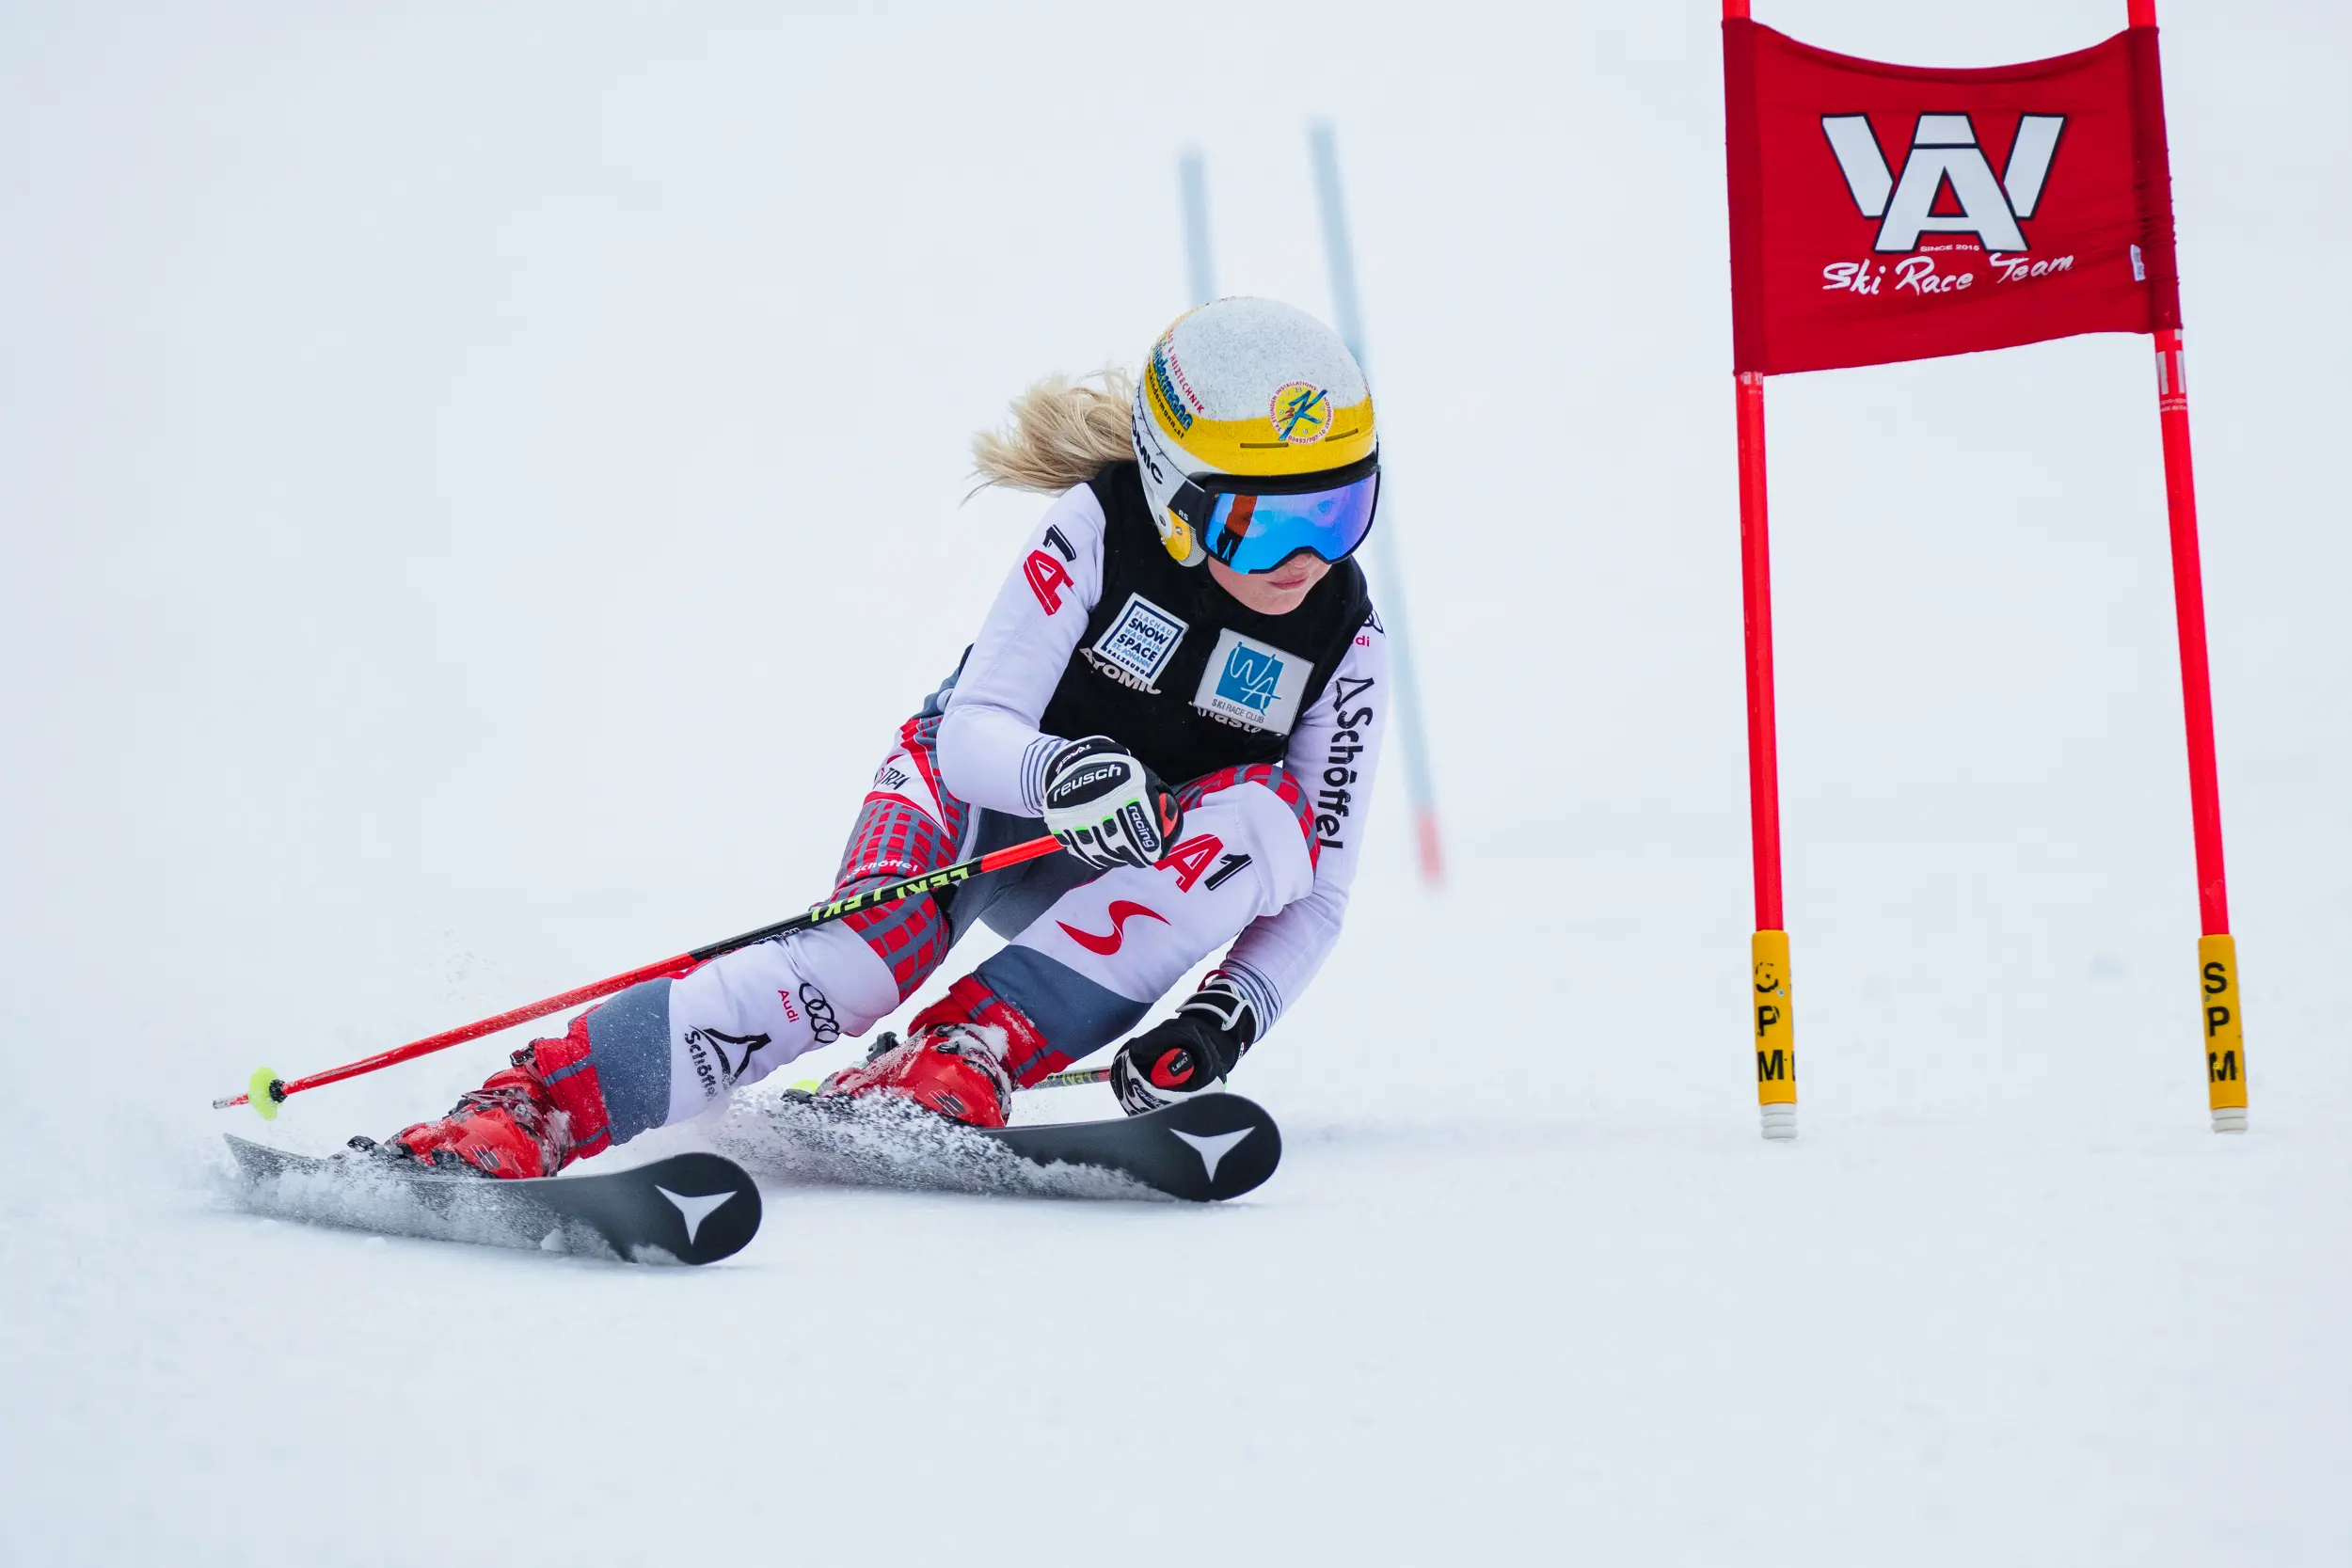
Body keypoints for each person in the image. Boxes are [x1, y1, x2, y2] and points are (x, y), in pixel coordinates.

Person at [358, 296, 1391, 1178]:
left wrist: (1229, 1011)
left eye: (1339, 512)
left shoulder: (1344, 637)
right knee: (860, 964)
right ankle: (535, 1104)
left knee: (1267, 820)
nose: (1303, 557)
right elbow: (974, 735)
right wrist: (1060, 770)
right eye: (1259, 522)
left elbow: (1320, 887)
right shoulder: (1099, 526)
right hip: (983, 792)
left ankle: (960, 1055)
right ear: (1171, 493)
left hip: (1128, 862)